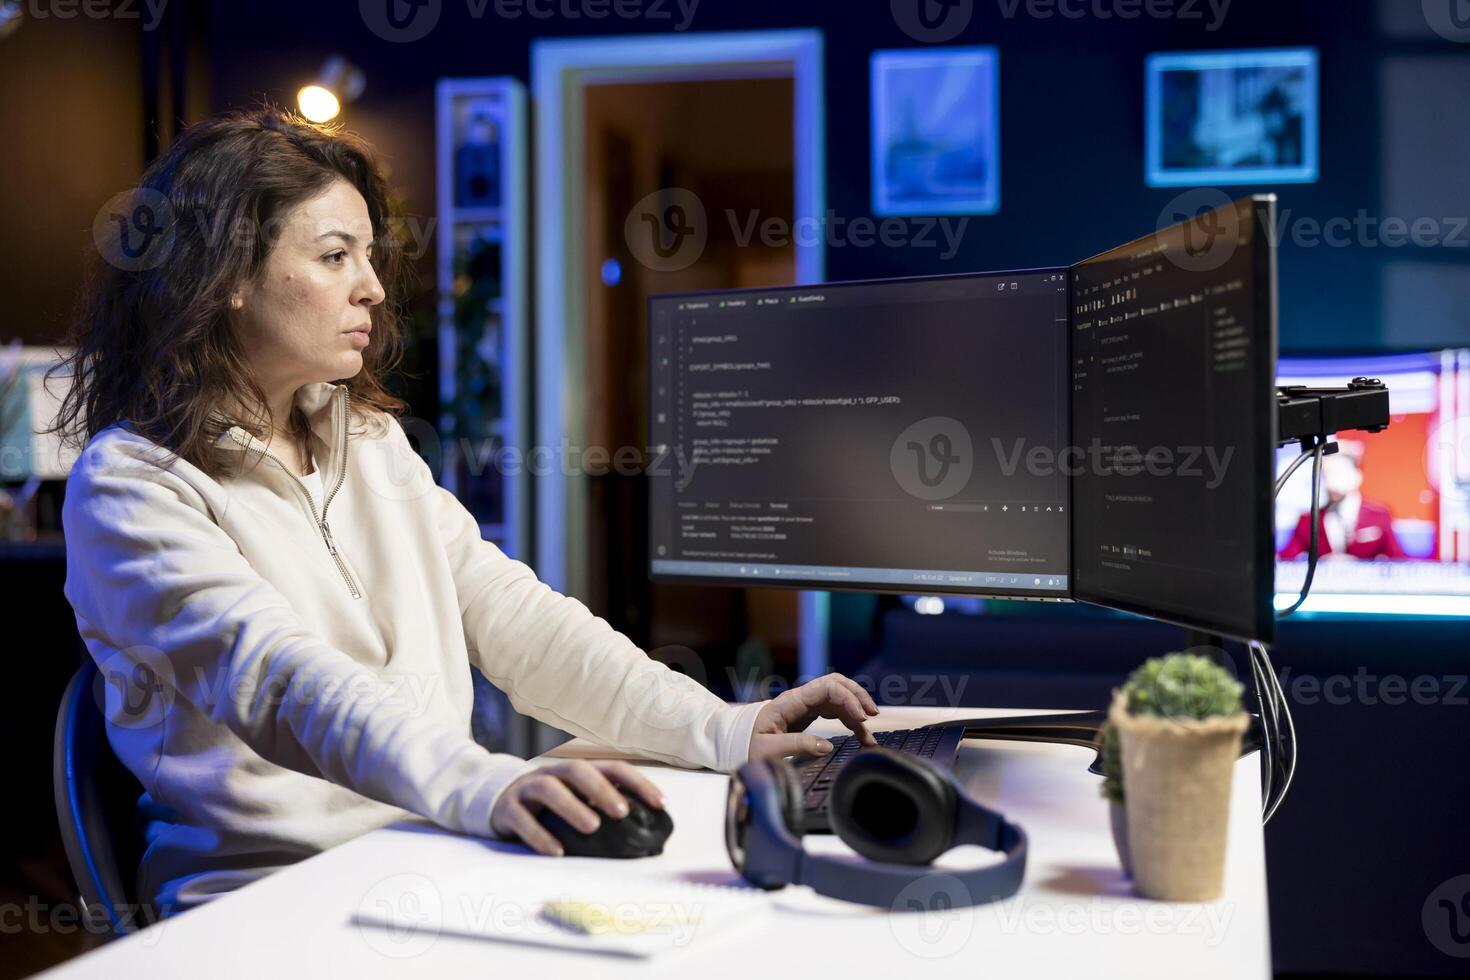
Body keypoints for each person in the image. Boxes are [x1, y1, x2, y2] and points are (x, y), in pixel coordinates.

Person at [51, 107, 880, 920]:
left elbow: (514, 618)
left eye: (368, 257)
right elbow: (277, 676)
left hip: (428, 854)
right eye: (335, 256)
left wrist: (722, 728)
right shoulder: (131, 488)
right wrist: (486, 783)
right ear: (226, 277)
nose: (372, 288)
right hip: (266, 901)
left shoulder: (370, 441)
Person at [1281, 447, 1404, 560]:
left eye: (1338, 472)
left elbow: (1397, 559)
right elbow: (1288, 560)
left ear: (1357, 476)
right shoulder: (1308, 520)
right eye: (1325, 474)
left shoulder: (1378, 515)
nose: (1331, 481)